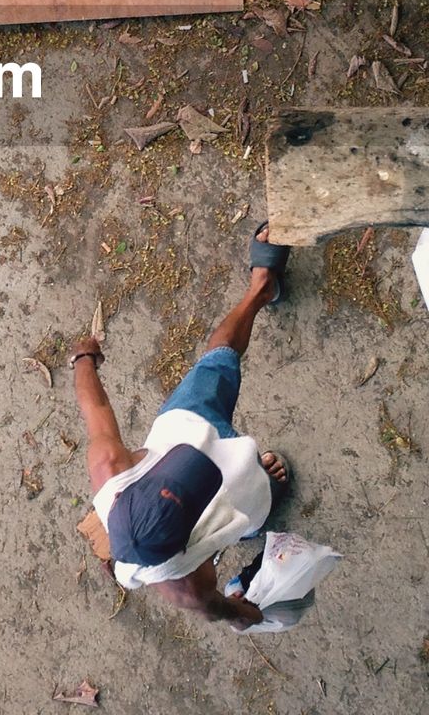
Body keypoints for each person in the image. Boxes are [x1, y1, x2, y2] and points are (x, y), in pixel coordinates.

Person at [70, 224, 291, 630]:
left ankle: (260, 288)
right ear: (183, 552)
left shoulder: (109, 471)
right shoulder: (185, 582)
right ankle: (265, 491)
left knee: (217, 356)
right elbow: (215, 608)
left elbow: (94, 405)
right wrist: (243, 612)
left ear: (128, 489)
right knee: (217, 362)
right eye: (191, 496)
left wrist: (83, 358)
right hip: (194, 438)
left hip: (192, 428)